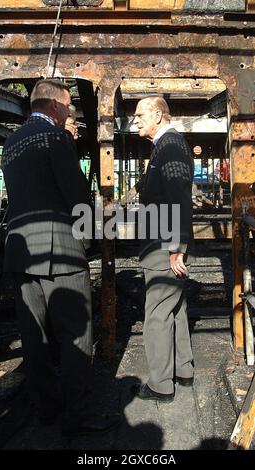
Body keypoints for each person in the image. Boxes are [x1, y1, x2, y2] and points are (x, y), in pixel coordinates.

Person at [1, 79, 119, 437]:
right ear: (54, 106)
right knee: (76, 333)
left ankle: (46, 408)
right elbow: (76, 195)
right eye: (67, 106)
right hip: (59, 253)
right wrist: (95, 232)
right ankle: (77, 414)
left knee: (35, 337)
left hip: (20, 253)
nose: (69, 112)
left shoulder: (10, 143)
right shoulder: (55, 138)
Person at [132, 96, 194, 402]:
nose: (136, 121)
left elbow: (178, 198)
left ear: (158, 113)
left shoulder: (170, 146)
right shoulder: (167, 145)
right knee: (175, 307)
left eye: (140, 115)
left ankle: (160, 385)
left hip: (163, 245)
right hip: (163, 243)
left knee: (156, 312)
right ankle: (183, 369)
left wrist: (174, 247)